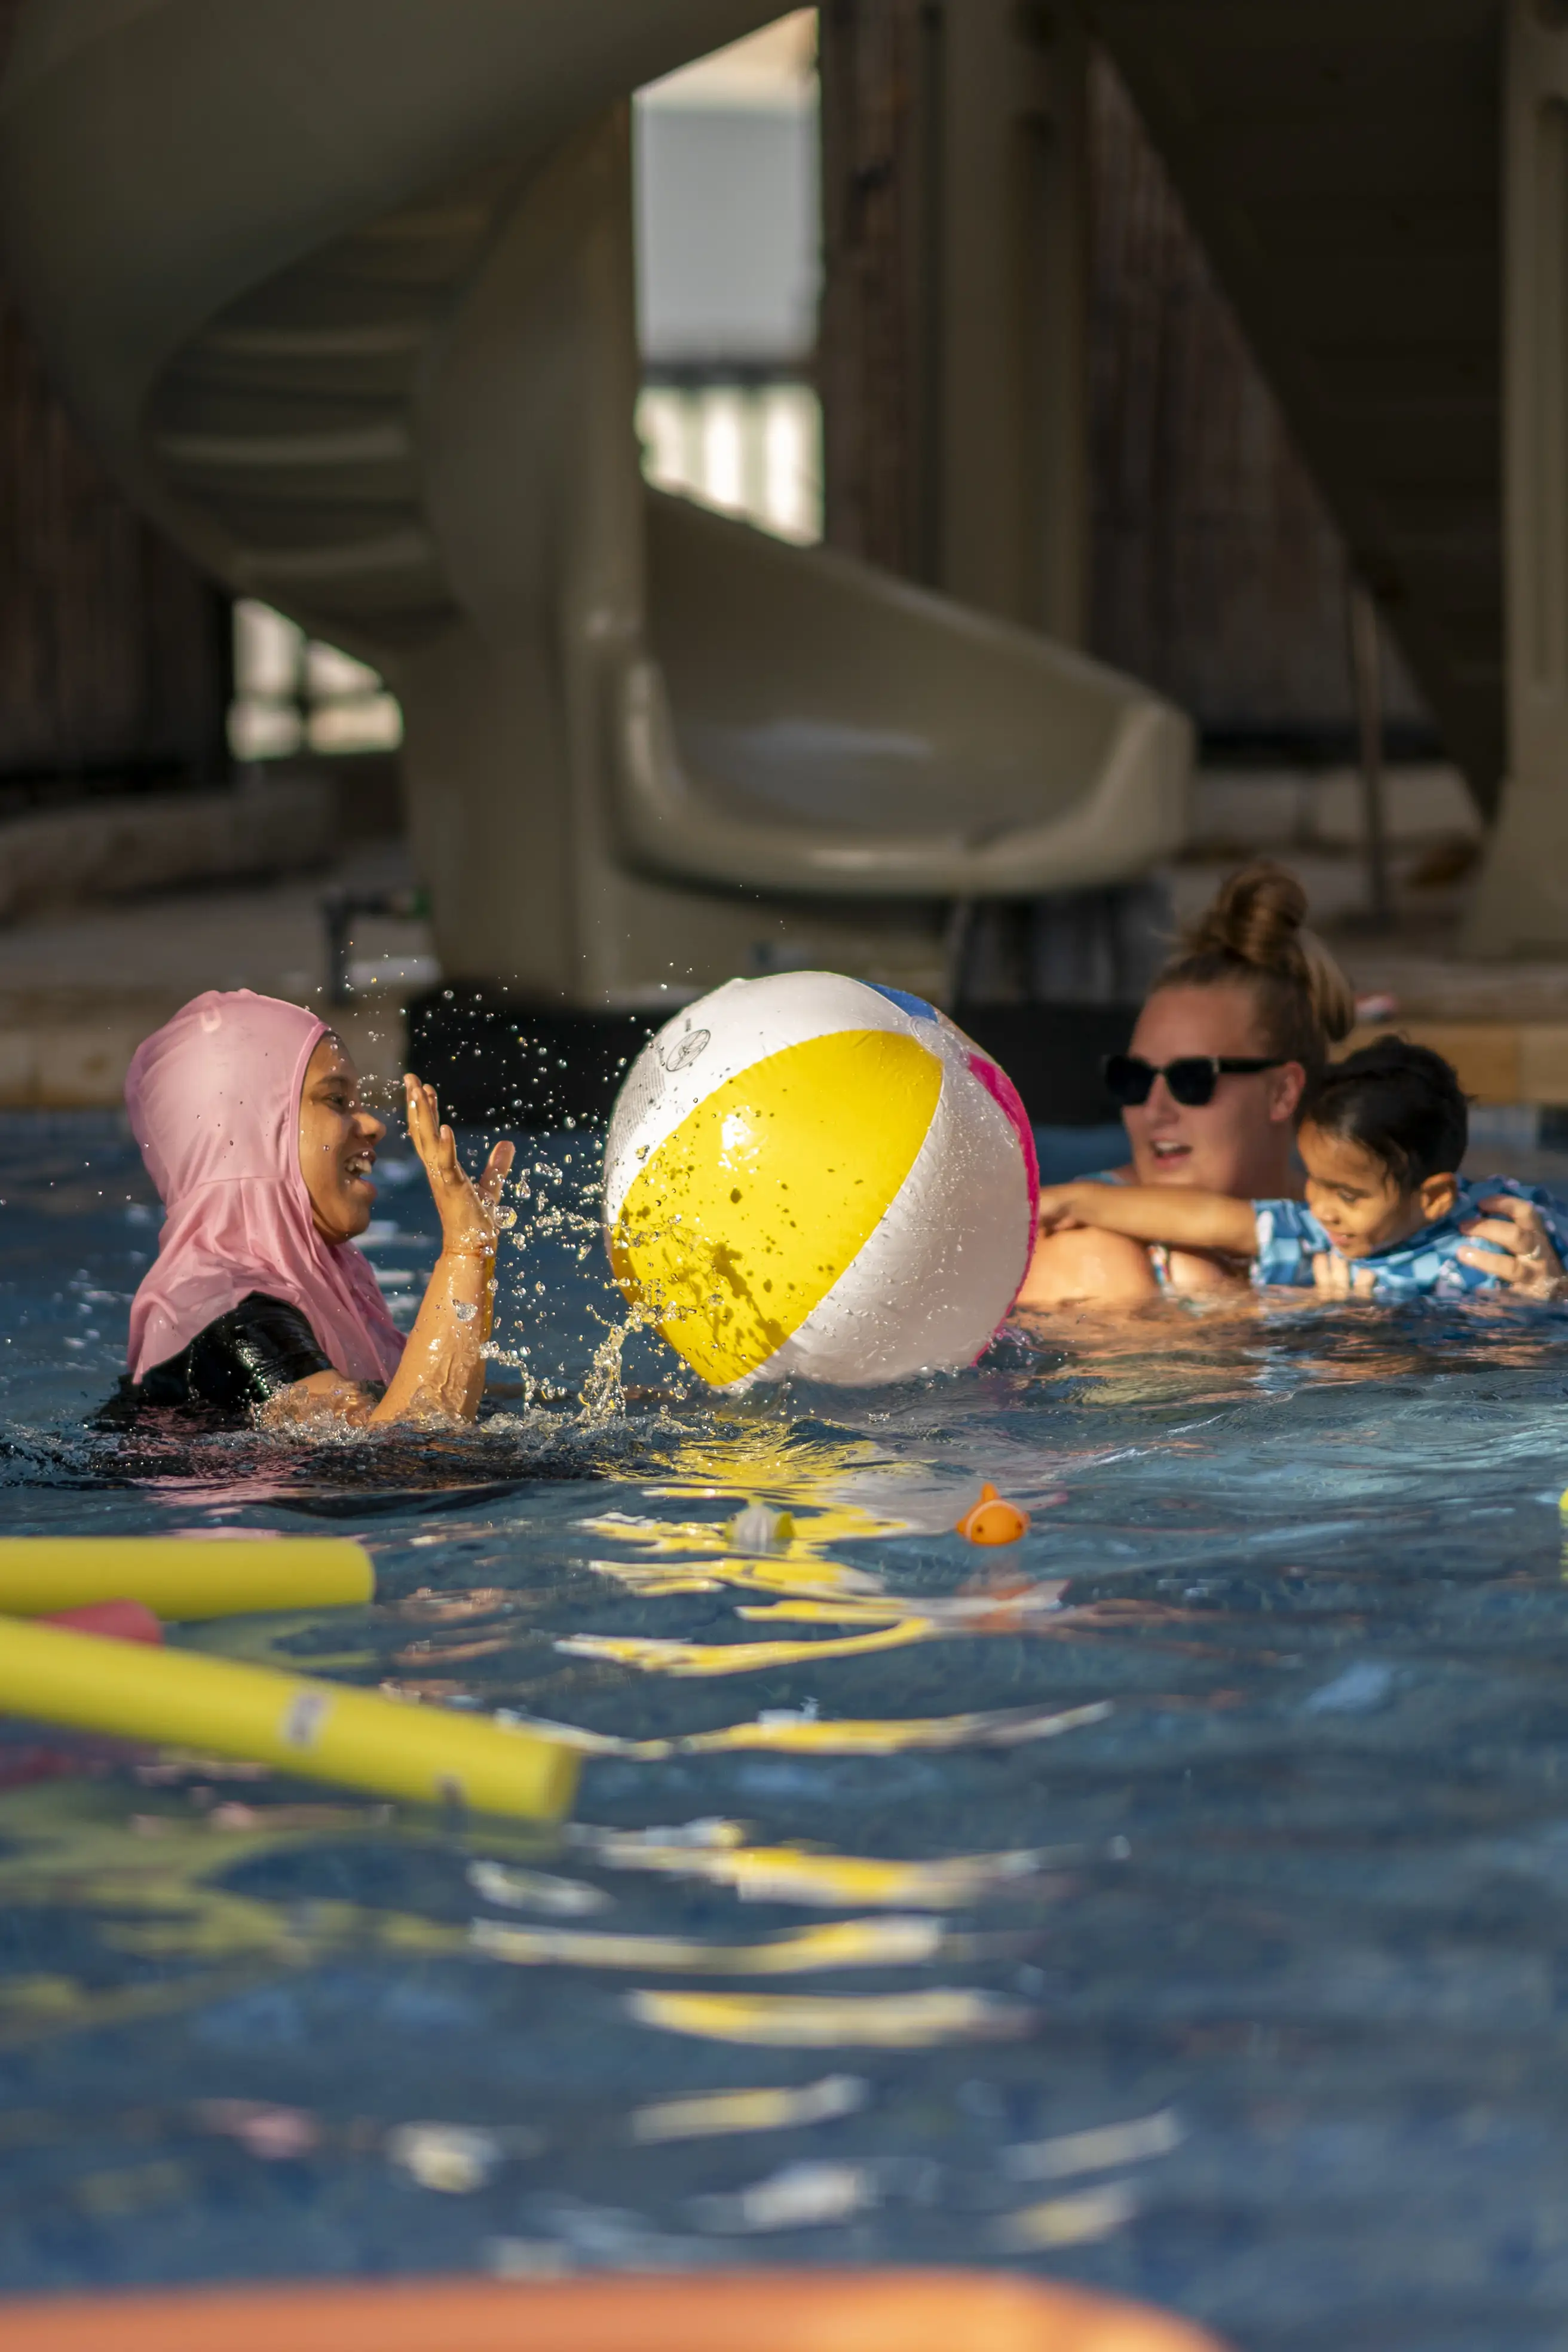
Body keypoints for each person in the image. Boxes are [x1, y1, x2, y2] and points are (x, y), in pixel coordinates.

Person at [1015, 859, 1567, 1307]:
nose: (1153, 1109)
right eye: (1132, 1078)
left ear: (1282, 1091)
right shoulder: (1092, 1251)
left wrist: (1542, 1298)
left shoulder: (1361, 1218)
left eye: (1190, 1079)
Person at [115, 988, 513, 1425]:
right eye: (337, 1100)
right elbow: (412, 1452)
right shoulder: (227, 1316)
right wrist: (465, 1251)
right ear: (255, 1134)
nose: (375, 1125)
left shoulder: (329, 1286)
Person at [1036, 1038, 1568, 1302]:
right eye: (1313, 1178)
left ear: (1432, 1198)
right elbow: (1216, 1219)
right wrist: (1071, 1200)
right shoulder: (1329, 1233)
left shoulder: (1502, 1245)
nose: (1322, 1206)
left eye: (1349, 1195)